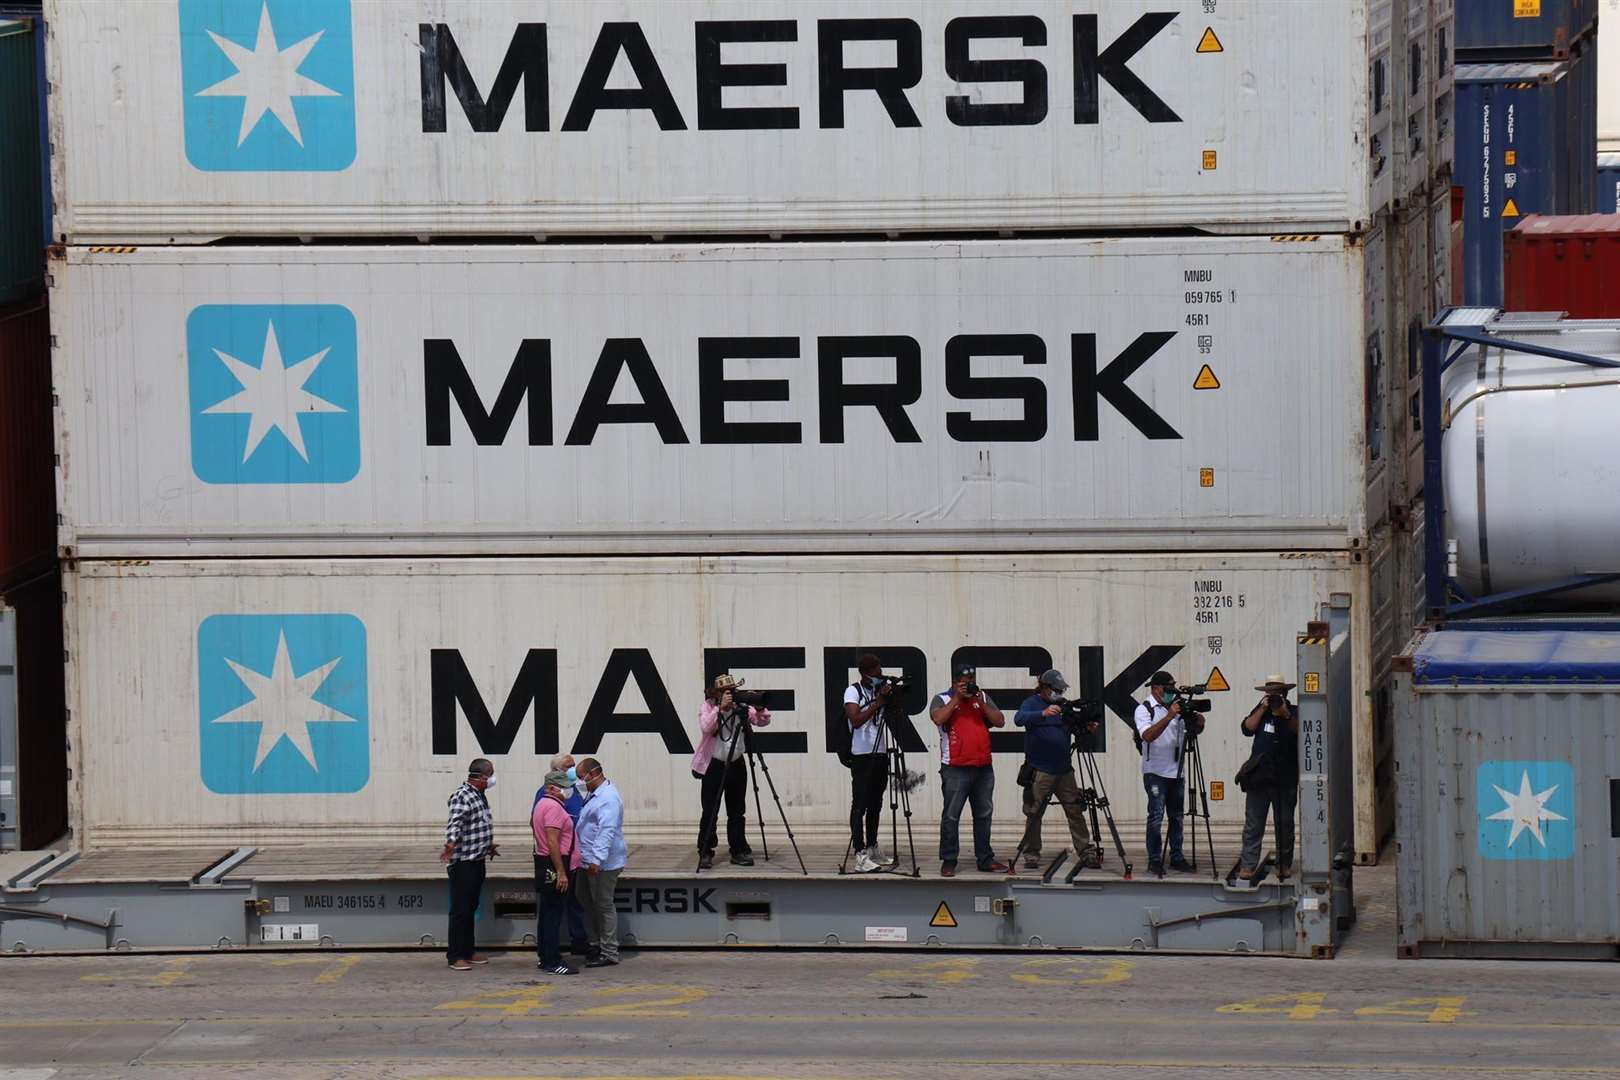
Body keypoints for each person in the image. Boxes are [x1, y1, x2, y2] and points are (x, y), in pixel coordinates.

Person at [1014, 669, 1101, 871]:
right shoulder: (1032, 703)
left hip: (1064, 769)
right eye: (1056, 690)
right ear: (1044, 688)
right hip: (1041, 769)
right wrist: (1043, 713)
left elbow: (1075, 727)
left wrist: (1088, 727)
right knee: (1034, 812)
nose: (1060, 693)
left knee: (1075, 810)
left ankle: (1086, 851)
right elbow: (1019, 719)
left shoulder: (1064, 705)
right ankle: (1031, 853)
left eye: (1062, 690)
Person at [930, 663, 1008, 877]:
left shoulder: (981, 697)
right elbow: (937, 718)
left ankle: (985, 858)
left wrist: (979, 702)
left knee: (984, 815)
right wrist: (957, 698)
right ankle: (949, 860)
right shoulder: (943, 698)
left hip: (983, 766)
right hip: (955, 767)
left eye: (972, 680)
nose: (969, 684)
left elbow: (1000, 721)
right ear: (955, 682)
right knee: (951, 816)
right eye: (964, 681)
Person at [691, 673, 771, 869]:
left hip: (736, 763)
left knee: (737, 811)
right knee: (710, 810)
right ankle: (705, 851)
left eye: (733, 690)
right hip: (714, 765)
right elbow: (705, 727)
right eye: (726, 692)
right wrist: (720, 709)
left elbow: (762, 721)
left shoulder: (740, 707)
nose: (731, 694)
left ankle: (738, 849)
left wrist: (759, 707)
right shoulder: (708, 706)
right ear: (717, 693)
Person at [1134, 671, 1205, 877]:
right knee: (1156, 816)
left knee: (1177, 817)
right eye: (1168, 689)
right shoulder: (1144, 709)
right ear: (1156, 689)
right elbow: (1147, 736)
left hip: (1177, 771)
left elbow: (1194, 729)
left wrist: (1196, 718)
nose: (1171, 693)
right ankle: (1155, 859)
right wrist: (1169, 716)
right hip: (1155, 772)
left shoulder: (1177, 706)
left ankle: (1176, 856)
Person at [1238, 676, 1301, 881]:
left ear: (1285, 693)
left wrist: (1284, 714)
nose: (1273, 696)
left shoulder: (1295, 712)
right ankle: (1248, 865)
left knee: (1284, 824)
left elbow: (1302, 732)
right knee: (1254, 823)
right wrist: (1263, 708)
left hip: (1285, 777)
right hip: (1259, 777)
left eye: (1277, 692)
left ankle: (1283, 865)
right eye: (1270, 692)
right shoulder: (1261, 710)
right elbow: (1247, 728)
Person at [440, 758, 499, 972]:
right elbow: (455, 822)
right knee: (460, 910)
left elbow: (477, 825)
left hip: (477, 860)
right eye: (491, 774)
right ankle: (455, 955)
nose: (493, 778)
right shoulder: (462, 796)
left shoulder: (479, 796)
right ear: (481, 777)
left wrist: (488, 846)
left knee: (471, 908)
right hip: (463, 863)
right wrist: (450, 844)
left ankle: (468, 951)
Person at [534, 752, 591, 960]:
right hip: (558, 860)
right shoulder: (549, 799)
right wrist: (560, 869)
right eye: (569, 766)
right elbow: (550, 838)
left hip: (571, 857)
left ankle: (574, 942)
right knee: (552, 911)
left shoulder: (574, 789)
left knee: (571, 903)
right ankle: (550, 957)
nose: (574, 770)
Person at [843, 653, 897, 873]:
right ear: (866, 674)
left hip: (880, 752)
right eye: (876, 673)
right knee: (860, 804)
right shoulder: (853, 690)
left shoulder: (878, 691)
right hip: (861, 754)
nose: (880, 676)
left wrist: (890, 698)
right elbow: (855, 720)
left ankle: (873, 846)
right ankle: (859, 852)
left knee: (876, 802)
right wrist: (877, 703)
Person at [574, 757, 627, 968]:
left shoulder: (608, 799)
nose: (580, 781)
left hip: (602, 864)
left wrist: (596, 859)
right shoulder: (594, 794)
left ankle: (609, 951)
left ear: (593, 774)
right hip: (587, 861)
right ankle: (595, 943)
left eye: (581, 777)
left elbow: (606, 831)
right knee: (586, 900)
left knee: (603, 905)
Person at [531, 769, 580, 976]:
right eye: (564, 787)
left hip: (545, 862)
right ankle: (552, 961)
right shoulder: (553, 808)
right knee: (553, 916)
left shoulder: (542, 804)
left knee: (547, 914)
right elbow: (553, 841)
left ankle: (545, 957)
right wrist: (561, 872)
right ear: (551, 788)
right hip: (555, 863)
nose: (568, 791)